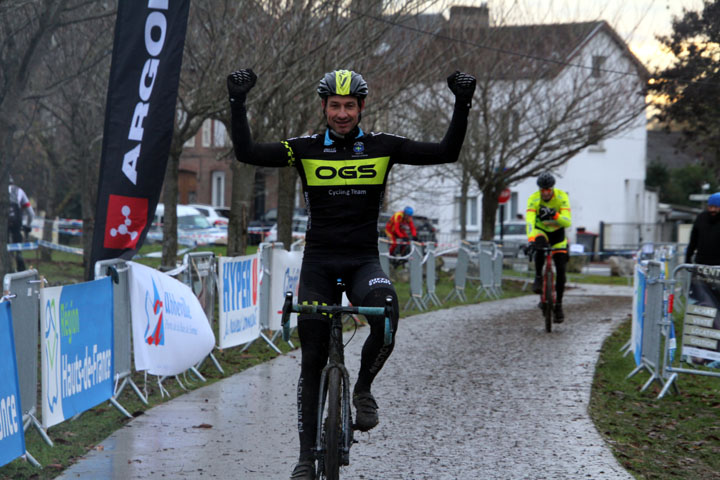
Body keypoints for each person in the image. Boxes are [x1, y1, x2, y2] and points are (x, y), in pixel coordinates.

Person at [227, 67, 475, 479]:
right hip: (319, 264)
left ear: (361, 107)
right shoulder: (304, 148)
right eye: (335, 106)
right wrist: (238, 103)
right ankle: (306, 458)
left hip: (363, 261)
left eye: (350, 106)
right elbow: (248, 152)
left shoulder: (383, 146)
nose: (342, 114)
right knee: (311, 359)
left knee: (387, 312)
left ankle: (362, 388)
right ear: (324, 107)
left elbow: (447, 151)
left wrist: (462, 103)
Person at [526, 172, 572, 322]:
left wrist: (555, 215)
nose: (545, 193)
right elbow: (530, 222)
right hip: (542, 232)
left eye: (548, 190)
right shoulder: (534, 199)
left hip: (558, 234)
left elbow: (567, 222)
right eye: (542, 190)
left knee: (561, 270)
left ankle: (558, 305)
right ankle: (538, 277)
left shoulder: (561, 197)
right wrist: (531, 239)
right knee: (539, 245)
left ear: (552, 189)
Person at [685, 192, 720, 266]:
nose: (713, 210)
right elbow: (693, 241)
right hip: (701, 263)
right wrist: (688, 258)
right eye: (710, 207)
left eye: (716, 207)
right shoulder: (701, 218)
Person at [7, 175, 34, 272]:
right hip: (16, 221)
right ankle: (20, 266)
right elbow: (31, 213)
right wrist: (28, 225)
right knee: (17, 245)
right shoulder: (19, 191)